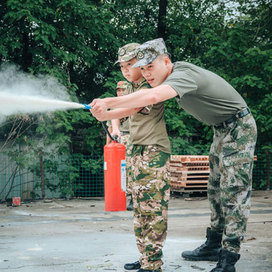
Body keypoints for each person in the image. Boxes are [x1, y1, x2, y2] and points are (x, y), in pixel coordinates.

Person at [90, 38, 257, 272]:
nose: (147, 73)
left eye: (151, 67)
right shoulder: (168, 77)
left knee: (233, 191)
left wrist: (107, 102)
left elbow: (151, 97)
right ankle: (213, 244)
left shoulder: (181, 75)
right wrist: (109, 113)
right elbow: (140, 101)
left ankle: (229, 257)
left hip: (239, 126)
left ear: (166, 61)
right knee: (214, 189)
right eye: (144, 68)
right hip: (220, 129)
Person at [92, 42, 171, 272]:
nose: (126, 70)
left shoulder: (150, 86)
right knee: (139, 210)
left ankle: (153, 265)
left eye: (131, 65)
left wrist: (107, 110)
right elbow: (122, 114)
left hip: (154, 152)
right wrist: (106, 114)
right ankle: (145, 257)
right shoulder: (129, 88)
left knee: (153, 210)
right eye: (122, 66)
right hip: (137, 151)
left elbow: (133, 108)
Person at [111, 80, 134, 211]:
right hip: (122, 138)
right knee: (122, 169)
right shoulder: (116, 106)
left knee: (131, 168)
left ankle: (132, 198)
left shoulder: (134, 102)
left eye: (123, 90)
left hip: (134, 137)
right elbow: (113, 124)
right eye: (118, 90)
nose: (120, 92)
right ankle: (122, 197)